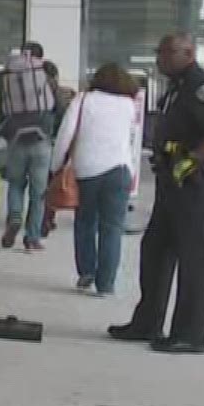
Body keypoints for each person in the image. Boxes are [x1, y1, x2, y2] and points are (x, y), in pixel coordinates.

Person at [109, 33, 204, 354]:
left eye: (165, 53)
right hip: (173, 185)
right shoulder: (177, 86)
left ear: (187, 53)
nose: (159, 59)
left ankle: (190, 335)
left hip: (194, 184)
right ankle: (147, 322)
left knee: (193, 259)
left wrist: (195, 158)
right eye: (159, 52)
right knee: (154, 249)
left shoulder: (199, 85)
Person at [54, 63, 141, 298]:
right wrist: (132, 176)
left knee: (85, 222)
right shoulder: (129, 105)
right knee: (112, 228)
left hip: (88, 171)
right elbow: (132, 142)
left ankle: (87, 272)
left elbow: (65, 135)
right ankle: (106, 285)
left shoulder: (83, 100)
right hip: (120, 170)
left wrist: (57, 166)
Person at [0, 42, 55, 251]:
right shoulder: (43, 74)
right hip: (42, 140)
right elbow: (58, 105)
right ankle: (32, 238)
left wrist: (2, 130)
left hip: (16, 139)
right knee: (39, 193)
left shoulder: (9, 74)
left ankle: (14, 217)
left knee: (16, 184)